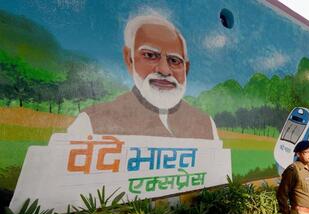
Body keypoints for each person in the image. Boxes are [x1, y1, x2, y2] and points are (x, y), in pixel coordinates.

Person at [67, 12, 218, 139]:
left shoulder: (206, 124)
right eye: (150, 55)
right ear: (129, 59)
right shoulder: (91, 123)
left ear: (186, 69)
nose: (165, 70)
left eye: (174, 60)